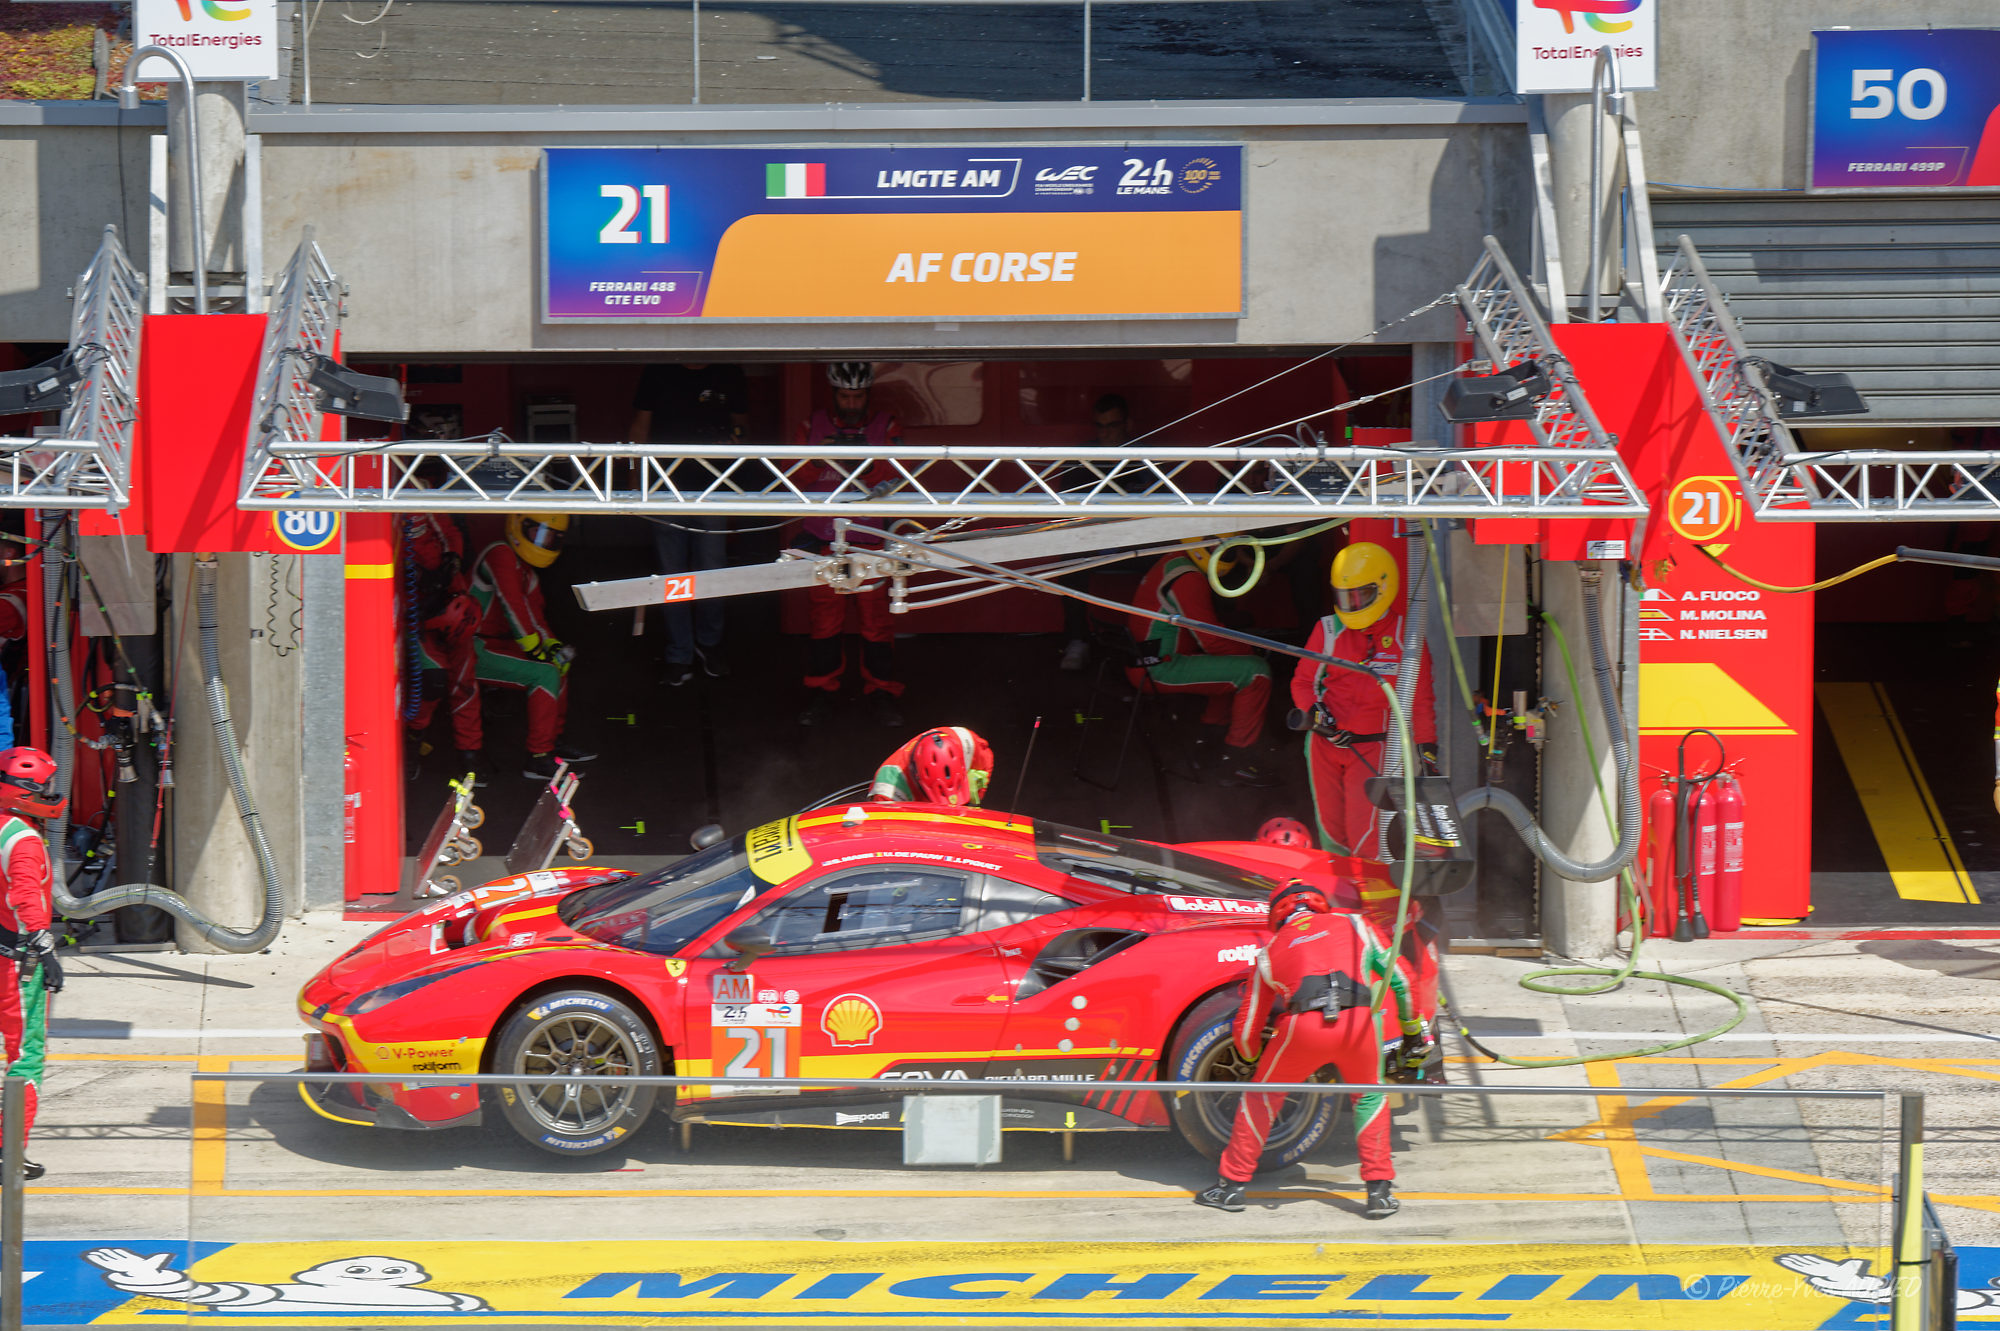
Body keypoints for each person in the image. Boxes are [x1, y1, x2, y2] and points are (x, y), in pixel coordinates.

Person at [1194, 880, 1430, 1219]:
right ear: (1320, 904)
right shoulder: (1356, 923)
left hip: (1303, 1029)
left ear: (1276, 916)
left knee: (1261, 1097)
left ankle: (1231, 1186)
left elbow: (1247, 1028)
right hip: (1360, 1025)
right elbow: (1403, 980)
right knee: (1370, 1096)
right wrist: (1412, 1031)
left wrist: (1250, 1057)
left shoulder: (1268, 953)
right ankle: (1379, 1192)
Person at [1291, 540, 1436, 857]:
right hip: (1324, 743)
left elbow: (1420, 701)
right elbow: (1302, 682)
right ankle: (1339, 889)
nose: (1352, 605)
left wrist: (1428, 754)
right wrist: (1316, 712)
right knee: (1332, 835)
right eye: (1345, 597)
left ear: (1383, 588)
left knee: (1365, 839)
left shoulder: (1408, 637)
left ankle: (1370, 890)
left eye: (1360, 596)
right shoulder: (1328, 629)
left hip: (1373, 750)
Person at [795, 362, 905, 727]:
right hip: (823, 539)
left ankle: (883, 693)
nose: (852, 403)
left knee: (876, 624)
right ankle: (822, 692)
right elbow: (791, 475)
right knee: (824, 623)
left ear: (869, 395)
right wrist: (819, 458)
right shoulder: (812, 426)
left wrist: (867, 462)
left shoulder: (886, 426)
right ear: (833, 394)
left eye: (858, 396)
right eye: (845, 396)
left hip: (872, 540)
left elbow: (901, 476)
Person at [627, 364, 749, 685]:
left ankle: (709, 645)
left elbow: (741, 426)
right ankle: (679, 653)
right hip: (665, 488)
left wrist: (735, 443)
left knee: (713, 571)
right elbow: (640, 427)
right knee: (673, 575)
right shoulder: (658, 371)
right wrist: (633, 481)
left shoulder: (729, 373)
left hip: (714, 489)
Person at [1128, 544, 1277, 787]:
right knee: (1256, 673)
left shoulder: (1173, 558)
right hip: (1159, 668)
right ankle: (1237, 761)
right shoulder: (1189, 577)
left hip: (1145, 660)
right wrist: (1253, 652)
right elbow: (1212, 641)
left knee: (1234, 668)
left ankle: (1209, 746)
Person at [466, 514, 597, 782]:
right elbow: (512, 606)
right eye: (539, 533)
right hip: (471, 647)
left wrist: (552, 646)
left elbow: (535, 617)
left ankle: (551, 741)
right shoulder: (500, 554)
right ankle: (538, 757)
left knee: (558, 666)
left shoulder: (526, 572)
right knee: (545, 673)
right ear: (520, 526)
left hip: (495, 644)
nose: (544, 542)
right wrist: (536, 649)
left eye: (552, 538)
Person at [0, 747, 65, 1180]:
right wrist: (46, 949)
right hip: (16, 965)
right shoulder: (23, 840)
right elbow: (25, 896)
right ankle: (9, 1153)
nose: (50, 795)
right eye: (45, 788)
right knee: (25, 1058)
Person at [402, 514, 483, 778]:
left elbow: (450, 532)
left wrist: (452, 560)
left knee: (465, 682)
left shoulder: (420, 501)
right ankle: (411, 745)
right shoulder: (382, 512)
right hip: (416, 613)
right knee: (432, 681)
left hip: (454, 605)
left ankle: (470, 756)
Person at [1057, 395, 1133, 672]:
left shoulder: (1145, 453)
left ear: (1127, 424)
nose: (1106, 433)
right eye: (1100, 426)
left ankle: (1159, 640)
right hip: (1094, 538)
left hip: (1139, 539)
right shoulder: (1083, 455)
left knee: (1171, 559)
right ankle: (1078, 641)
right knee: (1070, 557)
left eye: (1112, 425)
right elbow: (1067, 503)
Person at [870, 727, 994, 806]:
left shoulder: (966, 741)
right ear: (916, 777)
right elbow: (889, 830)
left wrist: (977, 794)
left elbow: (986, 760)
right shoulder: (887, 790)